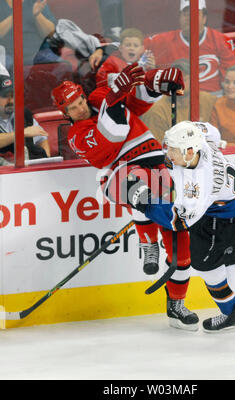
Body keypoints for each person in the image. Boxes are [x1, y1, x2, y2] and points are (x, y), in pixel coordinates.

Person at [51, 64, 199, 331]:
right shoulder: (77, 136)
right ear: (65, 113)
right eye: (73, 107)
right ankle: (149, 243)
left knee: (182, 248)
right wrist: (114, 99)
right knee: (137, 188)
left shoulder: (101, 98)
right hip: (121, 171)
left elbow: (136, 97)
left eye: (81, 100)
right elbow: (113, 134)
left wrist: (158, 83)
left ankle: (176, 303)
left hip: (155, 159)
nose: (81, 107)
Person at [143, 120, 235, 358]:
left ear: (188, 152)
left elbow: (177, 221)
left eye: (173, 150)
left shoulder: (200, 184)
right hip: (212, 214)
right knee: (207, 269)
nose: (168, 153)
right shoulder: (199, 136)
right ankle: (231, 315)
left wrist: (143, 201)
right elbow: (210, 130)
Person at [143, 0, 235, 96]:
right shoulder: (160, 42)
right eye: (185, 14)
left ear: (204, 18)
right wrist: (150, 70)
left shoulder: (222, 42)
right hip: (177, 101)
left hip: (214, 101)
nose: (189, 18)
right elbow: (134, 56)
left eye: (194, 13)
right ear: (180, 17)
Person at [141, 58, 217, 143]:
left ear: (195, 80)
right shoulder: (156, 112)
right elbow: (158, 150)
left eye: (184, 79)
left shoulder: (209, 100)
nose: (179, 84)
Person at [0, 74, 50, 164]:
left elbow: (42, 138)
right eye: (6, 96)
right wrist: (21, 133)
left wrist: (46, 162)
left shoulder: (23, 114)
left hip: (28, 172)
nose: (11, 101)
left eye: (13, 95)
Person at [0, 0, 60, 71]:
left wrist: (36, 14)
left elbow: (51, 33)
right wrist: (17, 13)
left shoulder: (36, 2)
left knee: (61, 66)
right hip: (7, 55)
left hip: (39, 53)